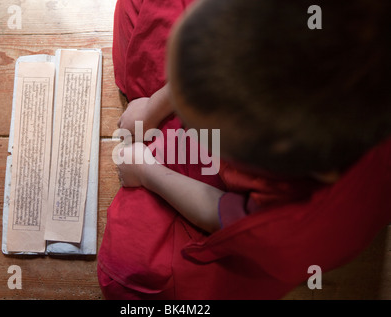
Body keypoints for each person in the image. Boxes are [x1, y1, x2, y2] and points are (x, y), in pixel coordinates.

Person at [97, 0, 391, 299]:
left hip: (247, 205)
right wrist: (152, 108)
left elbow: (220, 214)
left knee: (128, 280)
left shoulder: (293, 220)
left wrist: (148, 172)